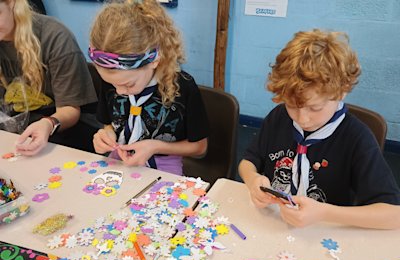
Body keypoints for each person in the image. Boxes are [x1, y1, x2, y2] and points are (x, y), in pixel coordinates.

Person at [238, 29, 400, 230]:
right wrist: (253, 180)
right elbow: (248, 161)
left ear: (341, 92)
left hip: (326, 232)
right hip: (275, 224)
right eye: (292, 105)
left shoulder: (356, 138)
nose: (303, 118)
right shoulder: (278, 118)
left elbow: (394, 215)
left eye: (315, 108)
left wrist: (325, 212)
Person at [89, 0, 209, 175]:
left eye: (128, 84)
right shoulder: (113, 80)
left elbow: (200, 148)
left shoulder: (183, 88)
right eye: (113, 84)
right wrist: (104, 135)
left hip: (164, 166)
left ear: (154, 60)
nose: (119, 91)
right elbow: (109, 125)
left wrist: (155, 147)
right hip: (119, 161)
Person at [0, 0, 98, 155]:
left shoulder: (54, 36)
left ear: (11, 3)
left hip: (63, 129)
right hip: (15, 130)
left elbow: (70, 110)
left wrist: (48, 124)